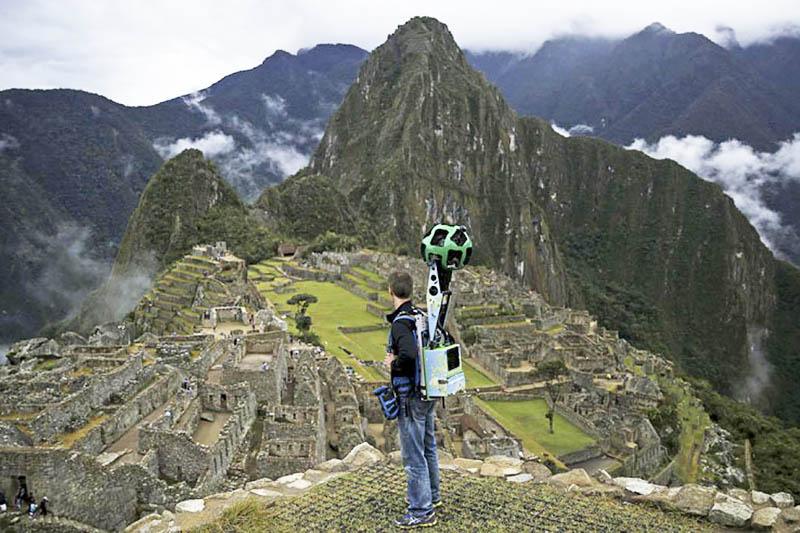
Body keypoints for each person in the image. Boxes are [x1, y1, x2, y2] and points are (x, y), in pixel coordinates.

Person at [383, 271, 440, 529]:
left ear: (390, 291)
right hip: (428, 391)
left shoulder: (400, 324)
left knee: (413, 456)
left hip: (411, 397)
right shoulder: (421, 316)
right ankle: (433, 497)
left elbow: (408, 354)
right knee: (428, 447)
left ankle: (421, 509)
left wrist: (393, 362)